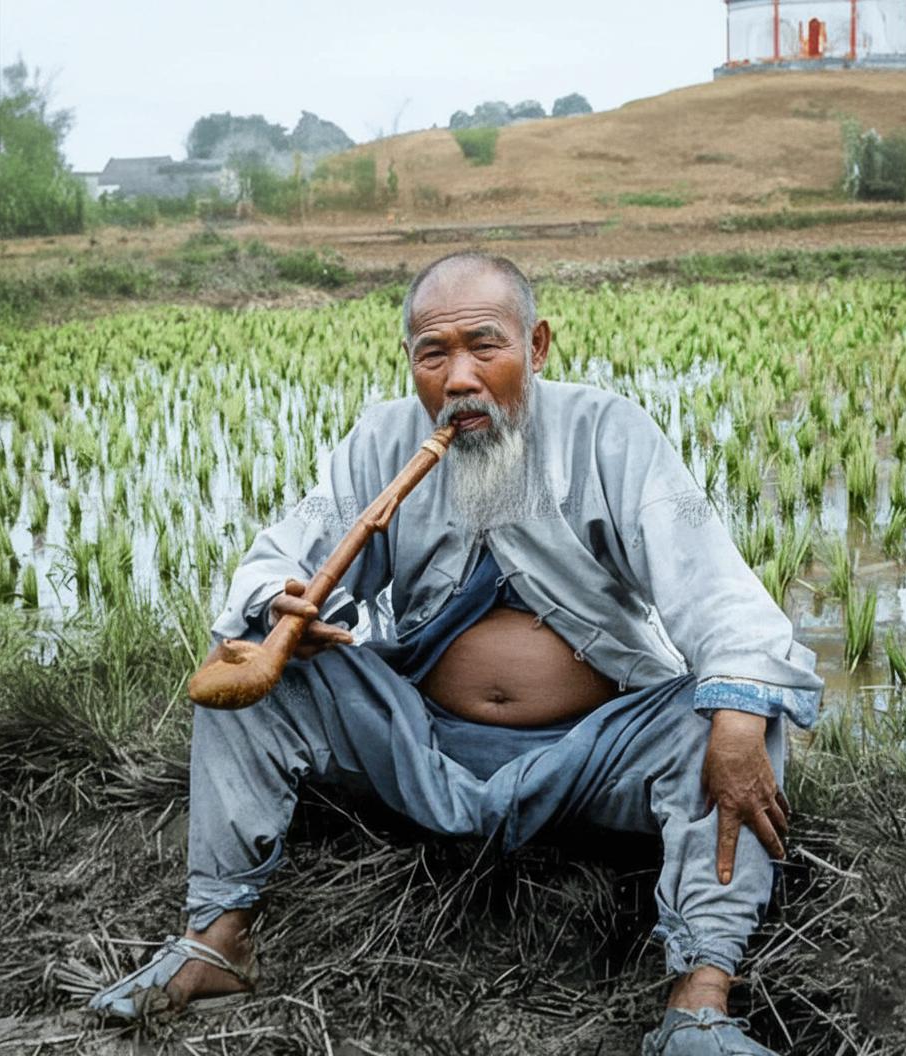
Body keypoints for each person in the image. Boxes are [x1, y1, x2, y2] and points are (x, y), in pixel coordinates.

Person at [89, 252, 823, 1055]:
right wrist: (281, 603)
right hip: (422, 742)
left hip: (592, 753)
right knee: (255, 661)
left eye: (486, 347)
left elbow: (712, 585)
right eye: (433, 355)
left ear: (537, 347)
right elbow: (282, 557)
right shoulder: (382, 440)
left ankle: (700, 999)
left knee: (737, 710)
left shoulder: (607, 434)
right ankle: (217, 938)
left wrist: (739, 709)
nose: (459, 378)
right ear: (412, 363)